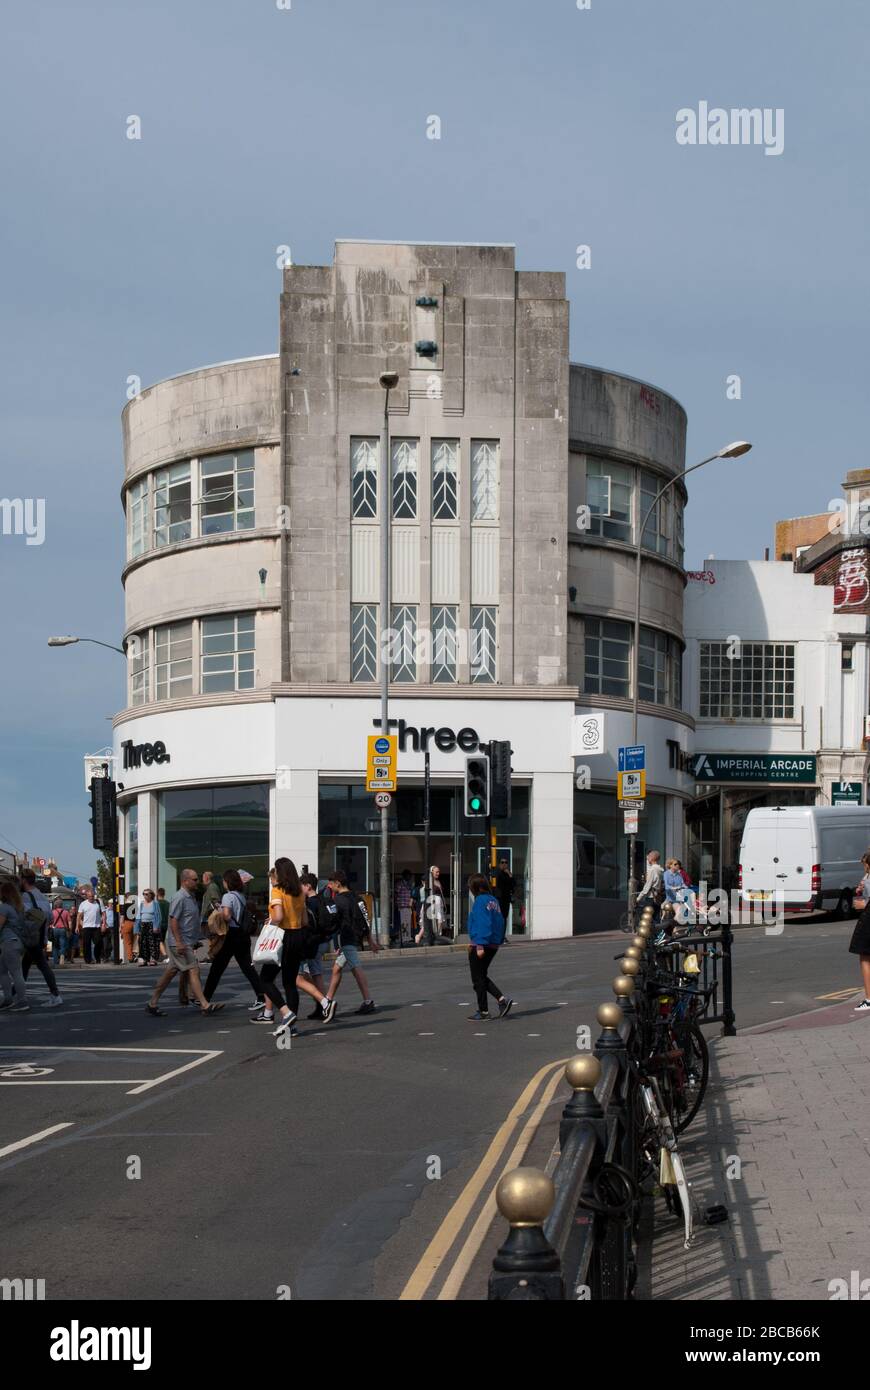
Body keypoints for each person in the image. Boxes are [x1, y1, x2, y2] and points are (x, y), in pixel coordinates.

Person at [252, 858, 333, 1036]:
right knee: (290, 983)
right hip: (299, 936)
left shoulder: (277, 890)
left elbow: (279, 916)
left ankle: (285, 1012)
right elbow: (304, 920)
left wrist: (270, 921)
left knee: (265, 979)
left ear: (280, 873)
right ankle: (292, 1026)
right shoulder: (298, 893)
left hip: (283, 937)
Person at [144, 868, 223, 1017]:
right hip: (179, 943)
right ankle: (204, 1005)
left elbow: (189, 921)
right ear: (185, 881)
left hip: (186, 941)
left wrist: (195, 939)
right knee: (194, 969)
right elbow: (173, 920)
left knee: (170, 972)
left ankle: (152, 1003)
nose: (197, 882)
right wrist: (180, 942)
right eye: (194, 879)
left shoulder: (190, 896)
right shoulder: (179, 897)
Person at [203, 869, 265, 1008]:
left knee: (217, 967)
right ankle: (261, 996)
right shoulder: (241, 896)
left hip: (231, 935)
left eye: (224, 881)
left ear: (227, 882)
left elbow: (227, 916)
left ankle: (205, 997)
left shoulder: (228, 897)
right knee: (247, 968)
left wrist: (220, 911)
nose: (223, 883)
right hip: (242, 935)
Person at [323, 870, 379, 1015]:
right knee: (337, 968)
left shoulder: (338, 900)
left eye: (331, 883)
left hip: (347, 937)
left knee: (356, 968)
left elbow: (334, 922)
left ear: (338, 883)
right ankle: (327, 1000)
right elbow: (366, 918)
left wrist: (334, 942)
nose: (330, 886)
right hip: (356, 936)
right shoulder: (358, 898)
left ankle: (368, 1001)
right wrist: (370, 939)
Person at [466, 874, 513, 1021]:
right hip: (493, 944)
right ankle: (501, 1000)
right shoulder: (494, 901)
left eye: (470, 887)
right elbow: (499, 922)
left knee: (477, 979)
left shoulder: (480, 901)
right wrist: (497, 940)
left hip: (482, 943)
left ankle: (484, 1011)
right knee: (481, 976)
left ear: (476, 887)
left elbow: (482, 923)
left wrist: (478, 944)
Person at [20, 870, 63, 1006]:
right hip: (40, 937)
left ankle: (55, 995)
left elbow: (21, 917)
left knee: (41, 966)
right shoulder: (42, 896)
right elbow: (50, 918)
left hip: (30, 937)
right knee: (25, 966)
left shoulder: (25, 897)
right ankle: (16, 993)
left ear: (24, 880)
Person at [299, 873, 337, 1019]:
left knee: (313, 973)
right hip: (324, 940)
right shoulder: (324, 900)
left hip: (313, 942)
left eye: (301, 886)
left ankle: (324, 1005)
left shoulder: (309, 903)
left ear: (308, 886)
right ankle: (320, 1005)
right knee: (315, 972)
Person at [0, 881, 30, 1012]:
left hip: (9, 942)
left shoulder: (4, 908)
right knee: (2, 970)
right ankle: (8, 1000)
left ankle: (22, 1001)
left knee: (15, 972)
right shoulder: (19, 908)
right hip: (18, 942)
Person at [850, 853, 870, 1012]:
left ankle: (869, 999)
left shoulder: (868, 877)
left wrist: (862, 902)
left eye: (864, 864)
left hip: (868, 918)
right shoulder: (866, 878)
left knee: (865, 957)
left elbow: (864, 900)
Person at [77, 887, 105, 965]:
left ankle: (97, 957)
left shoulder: (98, 902)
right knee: (86, 944)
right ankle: (88, 960)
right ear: (87, 896)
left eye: (92, 896)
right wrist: (77, 926)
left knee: (98, 942)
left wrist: (104, 924)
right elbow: (79, 915)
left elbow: (103, 913)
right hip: (86, 927)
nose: (91, 898)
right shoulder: (83, 904)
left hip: (96, 926)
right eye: (89, 896)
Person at [135, 889, 161, 965]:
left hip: (151, 924)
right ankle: (145, 959)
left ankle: (153, 959)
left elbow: (158, 916)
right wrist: (137, 928)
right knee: (142, 942)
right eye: (144, 894)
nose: (145, 896)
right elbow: (138, 916)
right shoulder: (142, 904)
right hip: (143, 924)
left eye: (147, 894)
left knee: (152, 942)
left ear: (151, 895)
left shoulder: (155, 903)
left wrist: (156, 926)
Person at [494, 858, 515, 929]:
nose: (504, 864)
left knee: (505, 917)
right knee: (499, 917)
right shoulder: (498, 873)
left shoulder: (509, 874)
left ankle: (502, 935)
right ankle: (499, 936)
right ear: (499, 864)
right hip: (499, 898)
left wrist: (509, 874)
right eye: (502, 862)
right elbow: (501, 883)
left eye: (506, 862)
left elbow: (513, 884)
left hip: (506, 898)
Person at [50, 898, 71, 966]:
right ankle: (62, 957)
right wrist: (69, 929)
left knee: (55, 945)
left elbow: (50, 921)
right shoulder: (66, 912)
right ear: (62, 905)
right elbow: (69, 922)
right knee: (63, 945)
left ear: (55, 905)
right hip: (63, 929)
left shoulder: (52, 912)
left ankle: (55, 960)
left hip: (54, 929)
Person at [395, 870, 413, 945]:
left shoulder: (409, 884)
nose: (409, 877)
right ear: (404, 876)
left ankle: (407, 937)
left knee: (407, 923)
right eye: (408, 875)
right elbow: (396, 894)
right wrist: (397, 904)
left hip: (408, 906)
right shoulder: (400, 884)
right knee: (403, 923)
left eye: (410, 875)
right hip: (401, 906)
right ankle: (404, 938)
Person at [155, 887, 170, 959]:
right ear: (164, 894)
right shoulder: (168, 903)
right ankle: (161, 956)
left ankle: (164, 955)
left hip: (158, 924)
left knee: (159, 940)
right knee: (162, 940)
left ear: (157, 894)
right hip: (165, 924)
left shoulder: (156, 903)